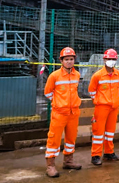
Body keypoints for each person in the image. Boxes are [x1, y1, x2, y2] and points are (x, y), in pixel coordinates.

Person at [43, 47, 82, 178]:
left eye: (71, 59)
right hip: (59, 113)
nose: (69, 62)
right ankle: (50, 166)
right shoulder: (54, 76)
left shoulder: (77, 74)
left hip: (73, 112)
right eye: (66, 59)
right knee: (54, 139)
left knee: (71, 138)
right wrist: (58, 103)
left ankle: (68, 161)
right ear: (61, 61)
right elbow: (48, 93)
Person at [88, 49, 119, 165]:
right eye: (109, 59)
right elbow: (91, 91)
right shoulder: (97, 76)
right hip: (101, 107)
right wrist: (98, 101)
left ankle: (109, 152)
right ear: (104, 60)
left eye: (113, 59)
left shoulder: (118, 74)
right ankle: (96, 155)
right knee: (98, 132)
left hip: (114, 107)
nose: (111, 61)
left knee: (110, 132)